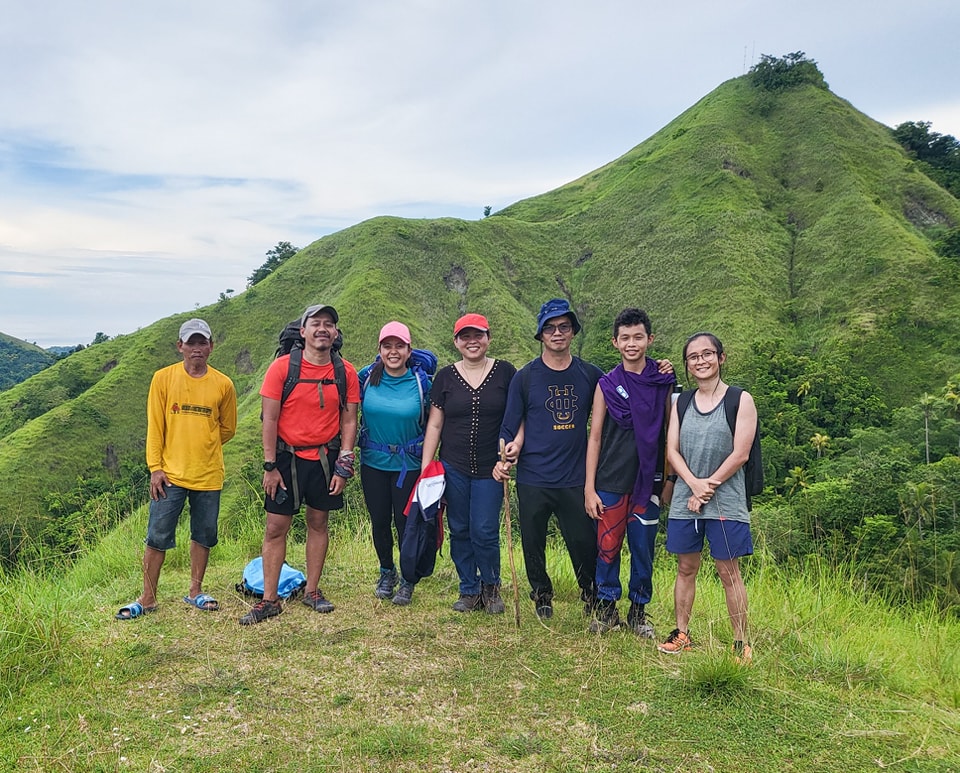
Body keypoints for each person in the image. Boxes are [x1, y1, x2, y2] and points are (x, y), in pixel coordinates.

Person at [240, 304, 360, 625]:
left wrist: (344, 464)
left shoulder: (344, 371)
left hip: (326, 458)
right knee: (275, 527)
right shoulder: (282, 368)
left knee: (319, 523)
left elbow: (350, 421)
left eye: (329, 324)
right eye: (316, 324)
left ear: (335, 334)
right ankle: (269, 599)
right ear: (303, 331)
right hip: (285, 458)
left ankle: (313, 590)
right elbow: (270, 418)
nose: (323, 329)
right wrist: (269, 466)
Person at [116, 318, 237, 620]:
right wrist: (155, 467)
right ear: (180, 346)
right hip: (169, 475)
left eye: (202, 342)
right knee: (157, 535)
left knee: (204, 534)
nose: (197, 348)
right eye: (191, 343)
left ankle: (195, 591)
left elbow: (228, 428)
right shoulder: (163, 378)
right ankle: (148, 597)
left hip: (208, 475)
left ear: (211, 346)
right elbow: (155, 427)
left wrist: (204, 442)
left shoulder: (223, 384)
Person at [493, 298, 603, 619]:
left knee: (583, 541)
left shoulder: (590, 375)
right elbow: (509, 425)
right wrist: (504, 455)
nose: (557, 333)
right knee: (533, 541)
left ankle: (591, 594)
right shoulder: (525, 378)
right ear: (541, 334)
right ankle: (541, 595)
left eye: (564, 327)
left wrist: (658, 369)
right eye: (550, 328)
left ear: (573, 332)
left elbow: (625, 386)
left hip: (575, 478)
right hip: (533, 477)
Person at [657, 332, 757, 663]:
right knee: (686, 567)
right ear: (687, 365)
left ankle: (741, 642)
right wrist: (692, 484)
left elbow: (740, 453)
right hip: (687, 499)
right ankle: (681, 632)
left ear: (721, 358)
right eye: (693, 357)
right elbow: (671, 449)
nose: (701, 361)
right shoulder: (680, 402)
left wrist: (707, 486)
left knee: (729, 571)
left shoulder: (740, 400)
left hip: (726, 501)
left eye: (707, 354)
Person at [584, 308, 676, 636]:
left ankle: (638, 612)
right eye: (625, 338)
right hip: (610, 479)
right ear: (615, 342)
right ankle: (607, 609)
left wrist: (668, 480)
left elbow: (669, 435)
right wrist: (589, 487)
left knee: (642, 548)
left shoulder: (663, 382)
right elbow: (594, 437)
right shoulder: (607, 384)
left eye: (638, 337)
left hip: (647, 482)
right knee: (607, 546)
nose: (632, 343)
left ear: (650, 339)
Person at [421, 313, 517, 614]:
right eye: (465, 336)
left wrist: (511, 455)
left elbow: (517, 416)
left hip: (492, 467)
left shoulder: (505, 373)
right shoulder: (446, 377)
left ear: (488, 338)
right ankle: (469, 589)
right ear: (456, 342)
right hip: (453, 466)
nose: (472, 341)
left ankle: (491, 587)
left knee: (485, 529)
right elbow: (435, 426)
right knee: (459, 528)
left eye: (478, 335)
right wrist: (427, 469)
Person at [358, 321, 430, 606]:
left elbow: (437, 421)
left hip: (409, 465)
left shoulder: (421, 382)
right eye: (387, 346)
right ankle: (386, 571)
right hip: (373, 462)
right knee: (379, 521)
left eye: (399, 346)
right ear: (379, 349)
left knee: (406, 524)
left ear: (409, 349)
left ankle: (408, 578)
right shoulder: (366, 378)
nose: (393, 351)